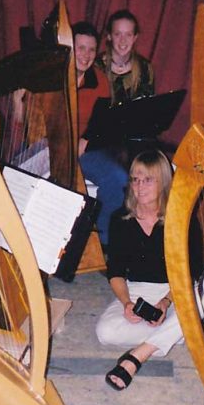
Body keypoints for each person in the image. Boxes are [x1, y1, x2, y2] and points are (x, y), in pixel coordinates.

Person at [96, 150, 198, 390]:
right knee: (105, 332)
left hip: (176, 290)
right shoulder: (120, 218)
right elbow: (116, 272)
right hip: (137, 290)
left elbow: (192, 273)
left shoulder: (181, 218)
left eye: (148, 180)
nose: (139, 187)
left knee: (199, 302)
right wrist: (126, 304)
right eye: (135, 179)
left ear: (163, 182)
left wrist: (165, 303)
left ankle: (138, 356)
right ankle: (175, 333)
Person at [73, 21, 128, 248]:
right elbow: (27, 123)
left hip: (83, 150)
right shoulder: (49, 77)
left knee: (118, 177)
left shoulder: (100, 81)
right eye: (81, 48)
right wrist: (18, 102)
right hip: (47, 147)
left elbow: (99, 123)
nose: (86, 55)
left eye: (91, 49)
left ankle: (104, 243)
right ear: (69, 48)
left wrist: (84, 141)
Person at [97, 9, 154, 105]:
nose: (123, 40)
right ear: (109, 36)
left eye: (128, 34)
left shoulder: (145, 68)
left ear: (135, 37)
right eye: (117, 34)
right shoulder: (96, 66)